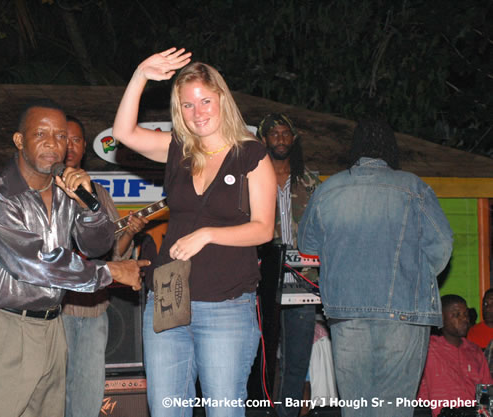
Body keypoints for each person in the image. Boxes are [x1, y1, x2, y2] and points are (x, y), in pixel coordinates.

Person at [112, 48, 277, 417]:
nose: (197, 112)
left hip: (226, 307)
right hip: (169, 298)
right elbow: (123, 133)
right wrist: (140, 74)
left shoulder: (251, 155)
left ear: (222, 99)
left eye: (205, 101)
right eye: (187, 105)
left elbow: (263, 229)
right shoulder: (178, 149)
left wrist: (208, 234)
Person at [0, 99, 148, 417]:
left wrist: (89, 206)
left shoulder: (65, 192)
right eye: (41, 134)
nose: (53, 143)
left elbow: (96, 245)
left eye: (61, 136)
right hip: (5, 328)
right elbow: (38, 264)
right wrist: (112, 272)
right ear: (19, 140)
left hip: (51, 326)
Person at [298, 119, 453, 417]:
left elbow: (308, 246)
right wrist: (415, 276)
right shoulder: (413, 186)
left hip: (347, 313)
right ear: (390, 149)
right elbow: (443, 243)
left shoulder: (329, 188)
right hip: (404, 312)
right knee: (394, 408)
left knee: (357, 409)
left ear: (354, 149)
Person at [61, 115, 148, 417]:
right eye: (63, 138)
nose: (69, 146)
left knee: (88, 393)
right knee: (56, 393)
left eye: (75, 140)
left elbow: (114, 254)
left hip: (95, 310)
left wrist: (130, 234)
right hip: (57, 312)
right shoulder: (43, 191)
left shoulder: (100, 194)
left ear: (84, 147)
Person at [256, 113, 320, 417]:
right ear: (263, 140)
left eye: (285, 134)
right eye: (274, 134)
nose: (280, 139)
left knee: (296, 361)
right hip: (262, 279)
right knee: (263, 358)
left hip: (304, 279)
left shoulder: (310, 180)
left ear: (293, 140)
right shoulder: (251, 177)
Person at [418, 295, 493, 417]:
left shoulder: (475, 351)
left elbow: (486, 396)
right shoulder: (427, 347)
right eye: (456, 315)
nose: (464, 319)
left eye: (466, 314)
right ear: (441, 318)